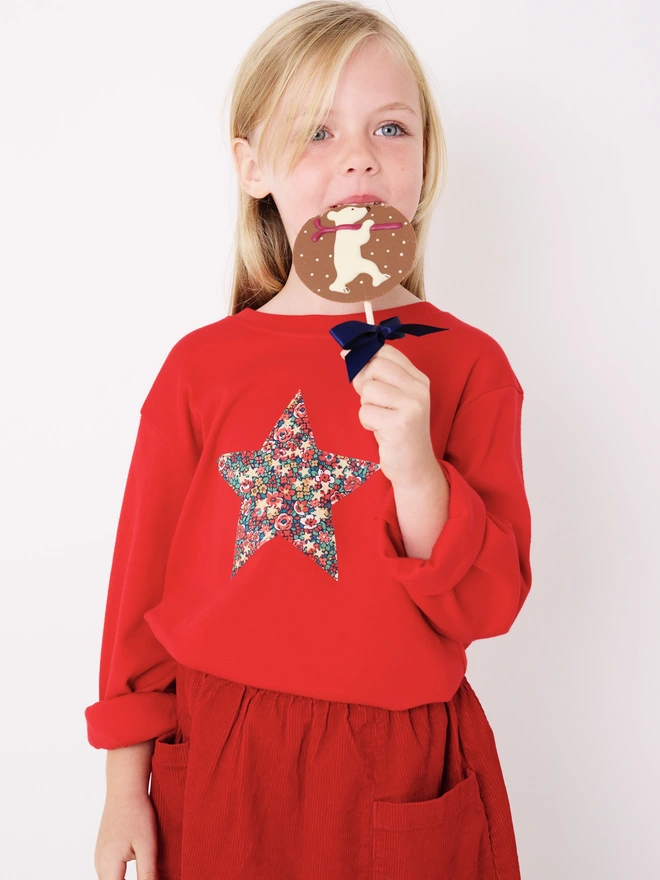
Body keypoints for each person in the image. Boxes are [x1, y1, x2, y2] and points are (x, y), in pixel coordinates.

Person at [85, 2, 533, 879]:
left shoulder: (471, 367)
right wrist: (122, 787)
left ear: (424, 161)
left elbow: (486, 608)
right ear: (253, 166)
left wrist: (415, 470)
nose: (360, 154)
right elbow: (139, 588)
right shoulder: (201, 367)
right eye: (318, 130)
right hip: (219, 760)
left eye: (389, 128)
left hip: (397, 769)